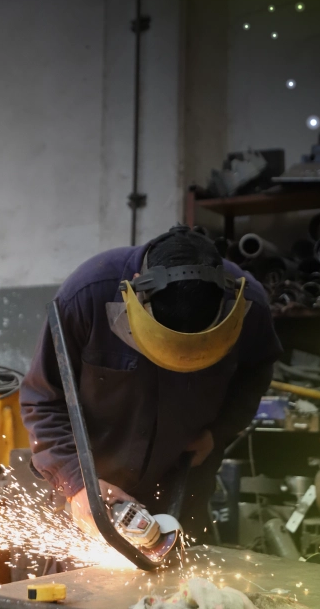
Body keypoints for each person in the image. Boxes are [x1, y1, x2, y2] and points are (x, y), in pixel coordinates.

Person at [20, 226, 282, 540]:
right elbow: (43, 400)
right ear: (137, 292)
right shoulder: (88, 295)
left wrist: (218, 431)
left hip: (181, 487)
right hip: (92, 493)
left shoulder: (249, 306)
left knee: (188, 571)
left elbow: (255, 375)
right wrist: (78, 485)